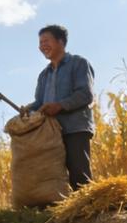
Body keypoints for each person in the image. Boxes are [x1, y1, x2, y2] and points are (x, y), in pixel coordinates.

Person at [24, 24, 95, 191]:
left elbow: (85, 94)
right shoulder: (44, 75)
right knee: (55, 178)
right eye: (40, 43)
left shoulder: (78, 63)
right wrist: (28, 110)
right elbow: (39, 102)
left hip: (75, 128)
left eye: (46, 41)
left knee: (79, 175)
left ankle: (87, 206)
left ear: (61, 41)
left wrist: (60, 106)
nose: (42, 46)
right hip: (52, 132)